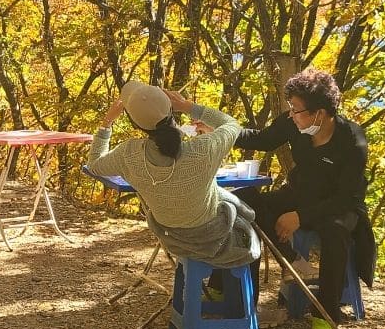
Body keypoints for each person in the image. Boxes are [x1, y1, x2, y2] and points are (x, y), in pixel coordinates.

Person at [228, 68, 375, 329]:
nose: (291, 115)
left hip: (339, 206)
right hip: (300, 194)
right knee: (242, 198)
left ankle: (325, 316)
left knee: (335, 232)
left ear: (319, 113)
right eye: (291, 108)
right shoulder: (294, 124)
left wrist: (299, 216)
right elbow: (261, 139)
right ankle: (290, 262)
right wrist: (221, 131)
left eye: (296, 110)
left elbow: (347, 197)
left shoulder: (353, 141)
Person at [85, 81, 260, 272]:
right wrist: (188, 107)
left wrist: (106, 123)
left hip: (172, 239)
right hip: (216, 237)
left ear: (136, 124)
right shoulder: (203, 149)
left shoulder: (129, 154)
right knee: (247, 210)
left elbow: (94, 165)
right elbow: (231, 124)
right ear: (170, 110)